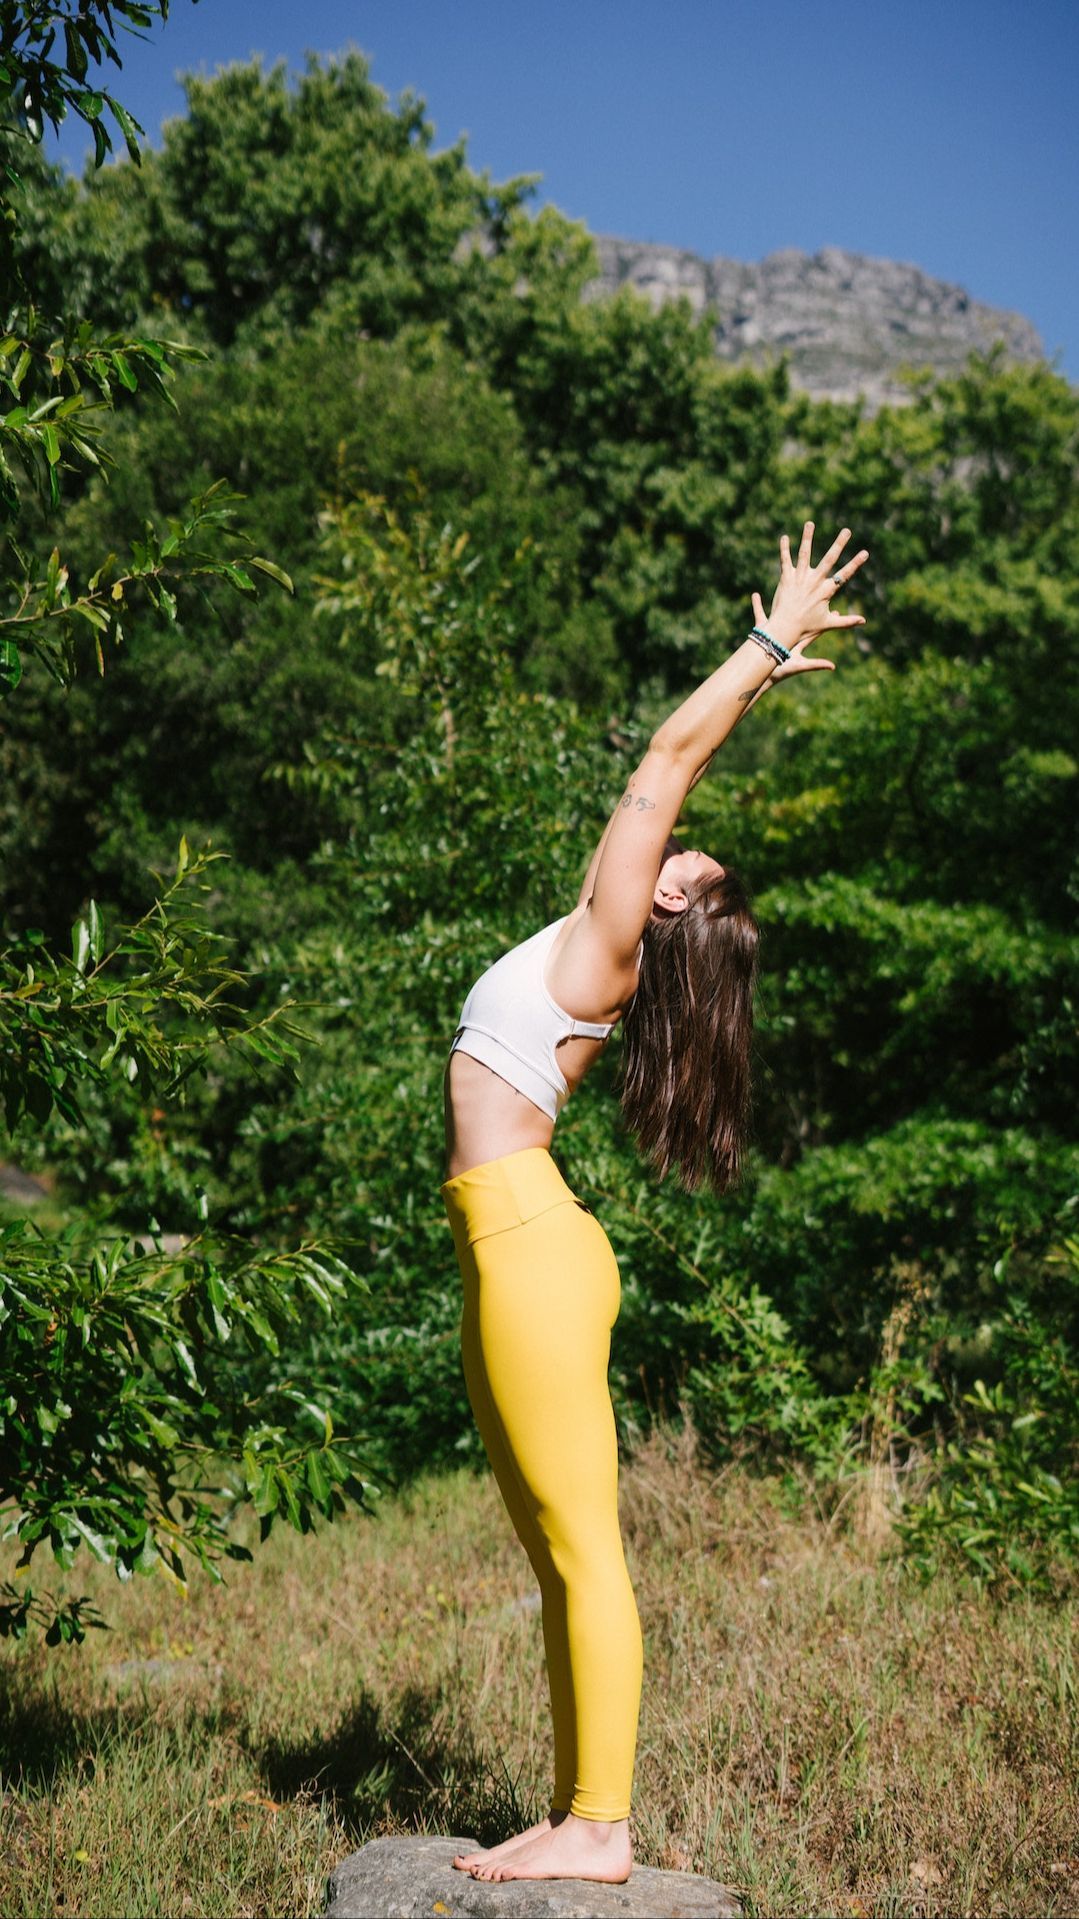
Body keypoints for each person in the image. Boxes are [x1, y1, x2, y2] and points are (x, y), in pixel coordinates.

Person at [442, 523, 868, 1885]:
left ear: (679, 901)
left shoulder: (620, 934)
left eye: (693, 861)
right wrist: (761, 669)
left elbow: (665, 761)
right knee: (553, 1548)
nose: (676, 844)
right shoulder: (595, 930)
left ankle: (605, 1832)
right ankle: (577, 1813)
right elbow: (659, 786)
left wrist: (759, 646)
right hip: (509, 1247)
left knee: (583, 1545)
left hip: (531, 1250)